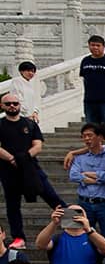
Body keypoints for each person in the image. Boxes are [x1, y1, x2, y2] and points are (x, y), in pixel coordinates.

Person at [2, 90, 63, 249]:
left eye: (15, 103)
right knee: (12, 206)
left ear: (19, 105)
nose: (12, 106)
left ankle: (75, 225)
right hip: (9, 171)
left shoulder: (29, 124)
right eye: (8, 104)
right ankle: (18, 238)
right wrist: (12, 159)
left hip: (31, 169)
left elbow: (38, 145)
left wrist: (24, 158)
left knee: (53, 197)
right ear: (2, 106)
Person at [65, 124, 105, 251]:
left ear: (99, 137)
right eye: (84, 136)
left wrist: (86, 175)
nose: (87, 139)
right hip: (83, 202)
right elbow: (73, 176)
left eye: (90, 135)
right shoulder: (79, 157)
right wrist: (97, 179)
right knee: (77, 237)